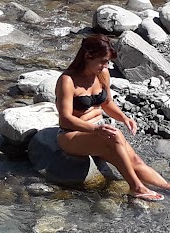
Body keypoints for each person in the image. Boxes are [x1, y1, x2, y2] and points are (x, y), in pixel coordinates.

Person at [55, 34, 170, 202]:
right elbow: (65, 119)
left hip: (100, 132)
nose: (106, 65)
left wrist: (124, 118)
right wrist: (96, 129)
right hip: (71, 134)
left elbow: (107, 103)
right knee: (115, 135)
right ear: (88, 56)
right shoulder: (68, 80)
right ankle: (136, 188)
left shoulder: (102, 74)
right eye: (102, 61)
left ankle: (167, 188)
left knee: (135, 161)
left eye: (107, 61)